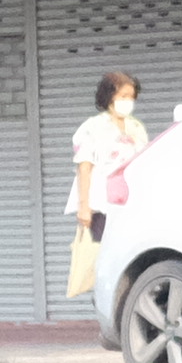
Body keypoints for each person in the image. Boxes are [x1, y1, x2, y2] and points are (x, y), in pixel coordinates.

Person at [67, 70, 147, 301]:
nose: (128, 102)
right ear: (109, 97)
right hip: (103, 205)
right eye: (123, 96)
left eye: (131, 97)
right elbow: (84, 166)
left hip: (131, 205)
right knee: (105, 258)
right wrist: (84, 207)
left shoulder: (136, 128)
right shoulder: (92, 127)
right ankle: (105, 304)